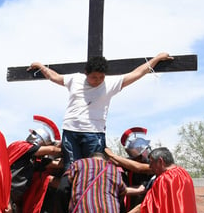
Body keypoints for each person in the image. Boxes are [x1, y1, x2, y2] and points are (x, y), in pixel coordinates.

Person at [29, 52, 172, 167]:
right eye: (93, 77)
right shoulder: (75, 79)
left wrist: (157, 58)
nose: (97, 80)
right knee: (71, 169)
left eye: (101, 77)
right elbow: (55, 77)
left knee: (94, 168)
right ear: (86, 73)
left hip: (94, 133)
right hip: (71, 131)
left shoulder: (110, 84)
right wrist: (41, 66)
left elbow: (136, 73)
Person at [7, 115, 63, 213]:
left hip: (16, 201)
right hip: (6, 197)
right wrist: (67, 146)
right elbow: (53, 151)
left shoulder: (32, 161)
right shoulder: (23, 147)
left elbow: (56, 164)